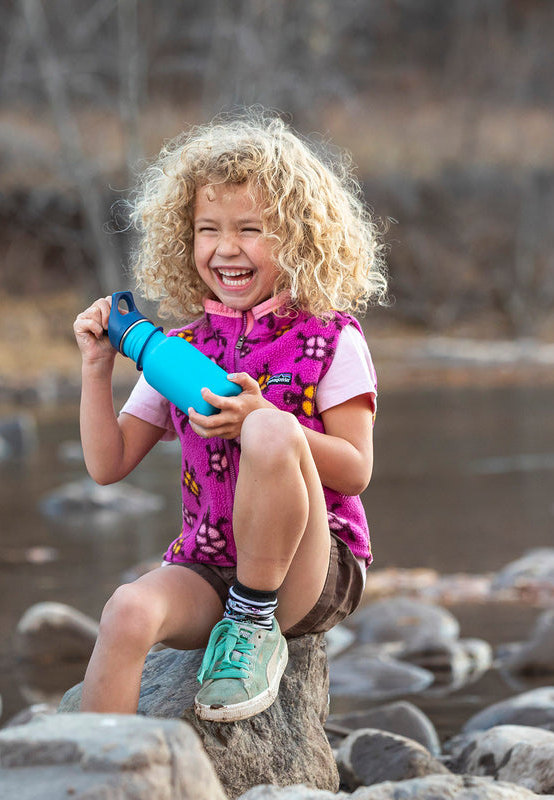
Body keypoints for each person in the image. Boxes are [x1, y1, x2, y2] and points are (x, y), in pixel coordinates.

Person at [72, 108, 387, 722]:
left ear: (299, 236)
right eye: (208, 229)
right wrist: (95, 367)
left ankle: (251, 624)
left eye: (251, 229)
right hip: (209, 563)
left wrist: (262, 417)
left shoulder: (331, 339)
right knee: (126, 613)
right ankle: (95, 770)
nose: (225, 249)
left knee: (270, 427)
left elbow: (355, 471)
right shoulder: (179, 354)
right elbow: (107, 465)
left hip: (309, 570)